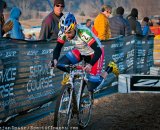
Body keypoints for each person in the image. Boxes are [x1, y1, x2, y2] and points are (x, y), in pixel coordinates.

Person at [51, 12, 119, 92]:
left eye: (69, 32)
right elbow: (58, 47)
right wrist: (54, 59)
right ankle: (72, 75)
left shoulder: (83, 32)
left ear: (75, 26)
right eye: (65, 33)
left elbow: (98, 51)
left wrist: (90, 64)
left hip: (95, 53)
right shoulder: (64, 32)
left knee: (91, 87)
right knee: (60, 64)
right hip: (81, 50)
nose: (67, 35)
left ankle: (110, 68)